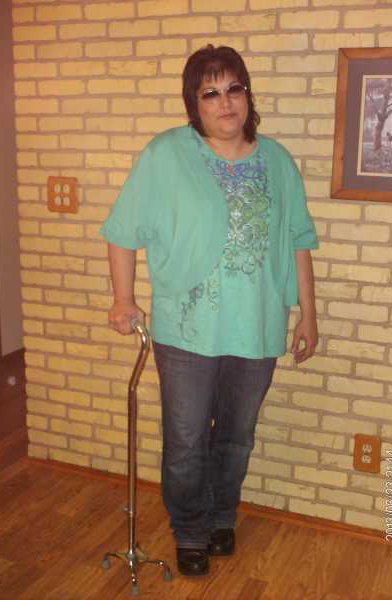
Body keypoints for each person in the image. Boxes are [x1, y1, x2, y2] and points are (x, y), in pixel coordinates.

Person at [101, 45, 318, 577]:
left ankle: (222, 516)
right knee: (186, 441)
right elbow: (122, 230)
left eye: (234, 88)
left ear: (248, 94)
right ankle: (190, 529)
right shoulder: (166, 155)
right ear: (194, 104)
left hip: (258, 327)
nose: (226, 103)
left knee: (237, 436)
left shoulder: (278, 161)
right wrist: (123, 298)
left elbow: (299, 240)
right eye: (211, 93)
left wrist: (308, 315)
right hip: (186, 329)